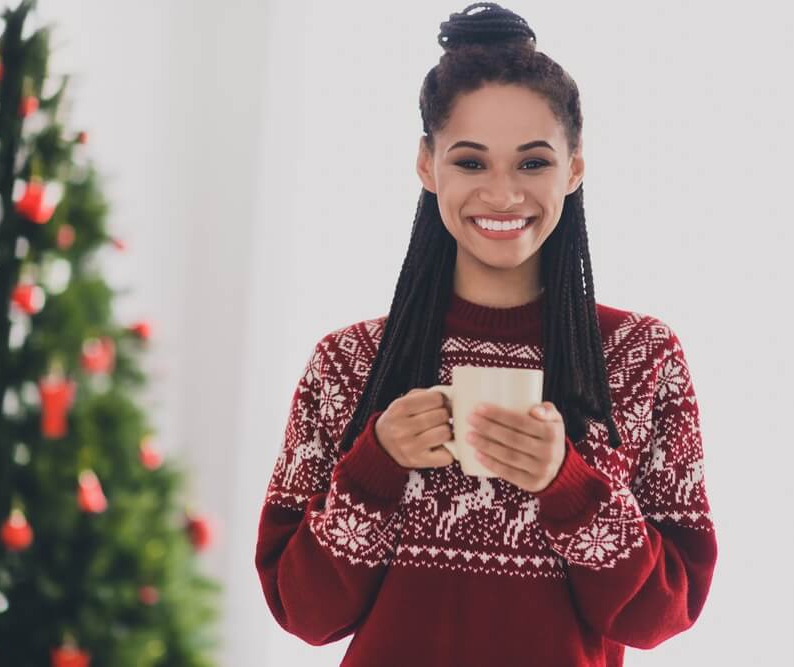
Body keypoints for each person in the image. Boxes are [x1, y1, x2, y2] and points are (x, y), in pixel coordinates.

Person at [254, 3, 717, 666]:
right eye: (471, 163)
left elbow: (664, 614)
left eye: (532, 164)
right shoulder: (347, 364)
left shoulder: (641, 359)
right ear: (426, 163)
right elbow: (302, 611)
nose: (502, 195)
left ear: (575, 168)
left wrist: (570, 484)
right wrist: (375, 464)